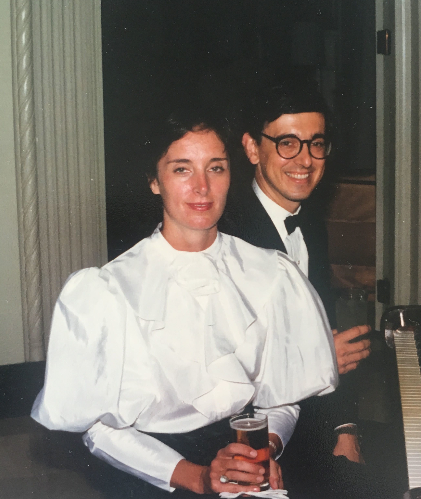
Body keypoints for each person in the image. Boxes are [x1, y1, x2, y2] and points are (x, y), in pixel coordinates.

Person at [31, 110, 338, 498]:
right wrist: (197, 477)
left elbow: (284, 397)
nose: (202, 187)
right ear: (154, 181)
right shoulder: (109, 290)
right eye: (181, 169)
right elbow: (99, 430)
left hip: (247, 460)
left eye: (216, 168)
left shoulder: (272, 274)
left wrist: (262, 451)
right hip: (156, 472)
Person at [218, 81, 375, 496]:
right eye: (288, 143)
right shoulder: (227, 237)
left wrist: (345, 429)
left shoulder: (310, 225)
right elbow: (222, 369)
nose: (305, 160)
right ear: (253, 148)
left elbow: (329, 339)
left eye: (316, 143)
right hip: (240, 440)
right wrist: (317, 358)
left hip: (309, 420)